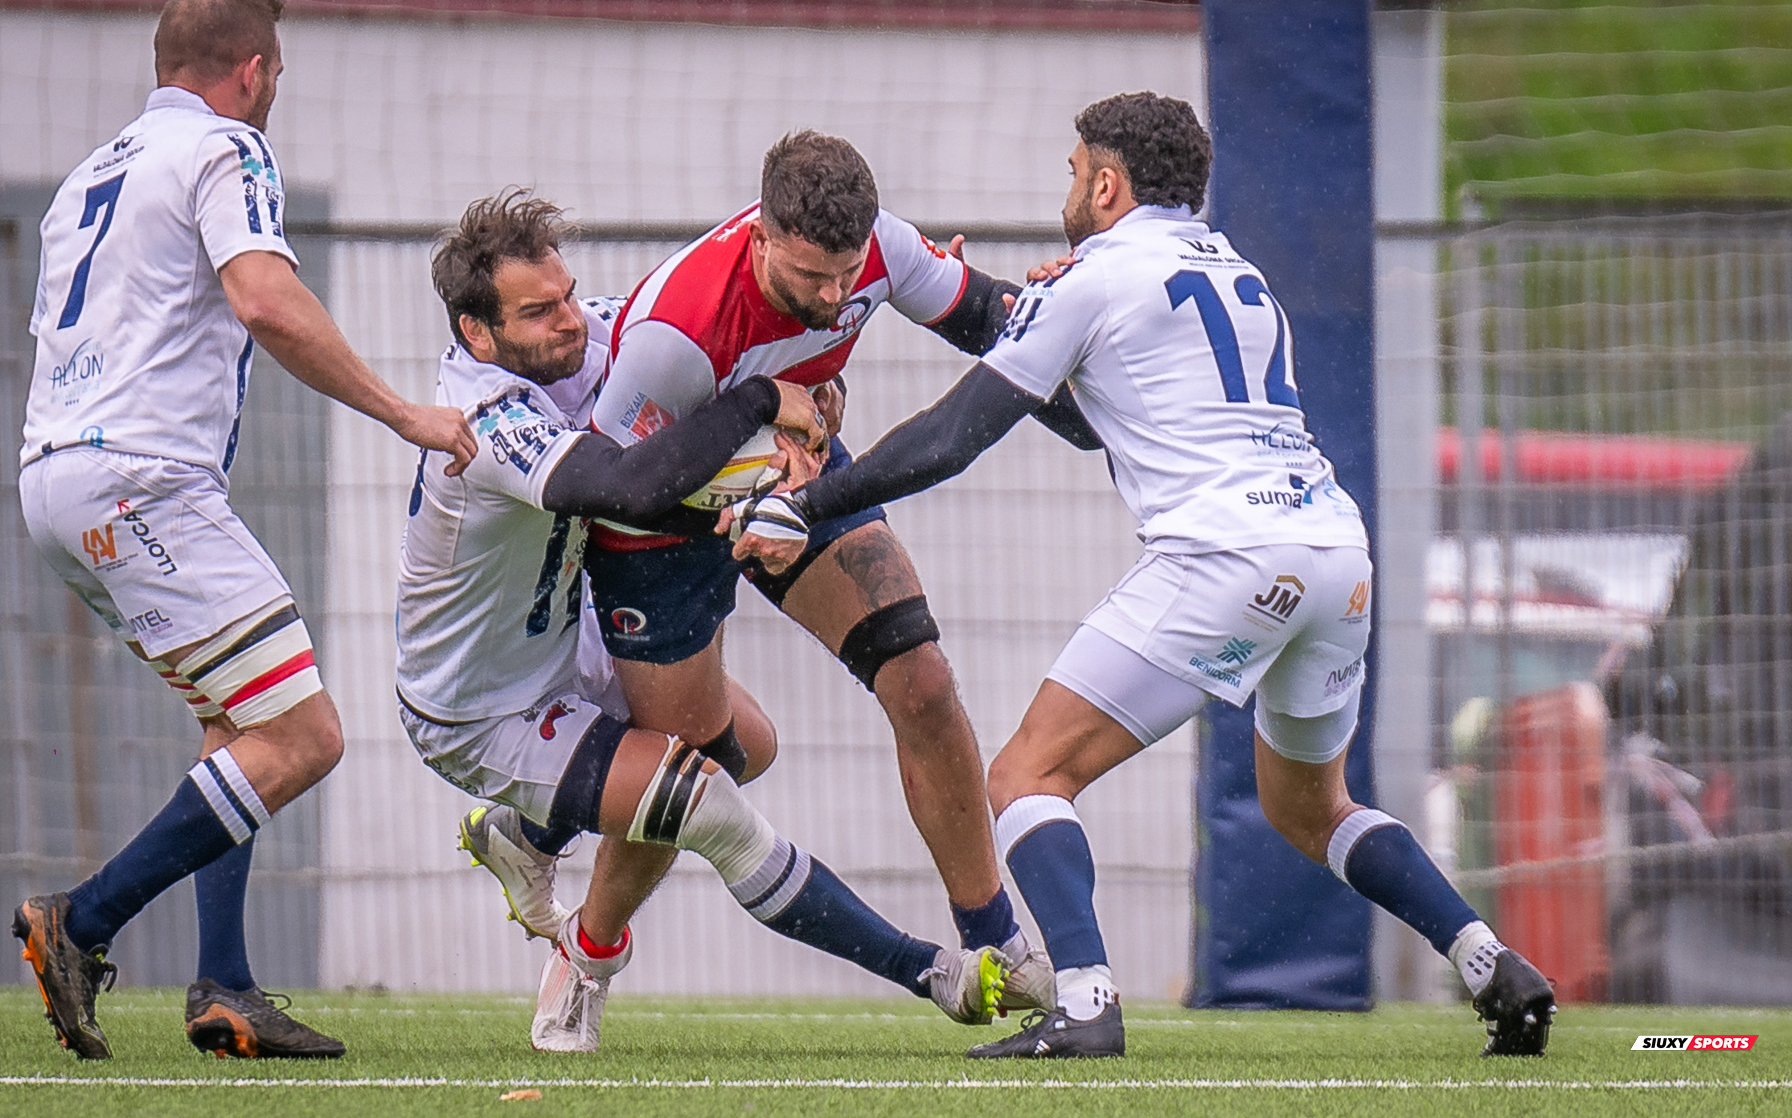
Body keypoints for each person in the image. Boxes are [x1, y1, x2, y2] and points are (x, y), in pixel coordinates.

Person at [763, 92, 1559, 1059]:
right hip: (1335, 555)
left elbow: (952, 436)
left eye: (1072, 171)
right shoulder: (1239, 272)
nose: (1066, 187)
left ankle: (1088, 1002)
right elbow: (1125, 406)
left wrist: (802, 505)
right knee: (1312, 805)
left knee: (1025, 775)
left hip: (1225, 557)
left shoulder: (1091, 280)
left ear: (1108, 182)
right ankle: (1490, 965)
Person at [402, 191, 1005, 1051]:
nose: (571, 321)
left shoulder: (594, 334)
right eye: (539, 312)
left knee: (739, 745)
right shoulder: (483, 419)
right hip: (480, 708)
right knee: (707, 801)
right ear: (476, 333)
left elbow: (713, 371)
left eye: (568, 294)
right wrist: (764, 399)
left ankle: (535, 842)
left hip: (568, 648)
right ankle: (931, 972)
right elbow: (629, 488)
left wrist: (814, 397)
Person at [11, 0, 477, 1061]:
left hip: (54, 475)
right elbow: (264, 297)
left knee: (237, 722)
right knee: (305, 735)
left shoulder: (91, 171)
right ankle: (81, 920)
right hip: (142, 476)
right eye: (277, 77)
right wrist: (406, 410)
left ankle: (223, 983)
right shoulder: (227, 148)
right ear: (252, 70)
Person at [580, 132, 1101, 1014]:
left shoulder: (880, 250)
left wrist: (1100, 398)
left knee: (923, 680)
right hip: (654, 527)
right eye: (809, 277)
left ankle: (997, 945)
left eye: (845, 274)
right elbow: (613, 489)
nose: (833, 296)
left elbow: (999, 334)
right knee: (692, 769)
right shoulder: (676, 332)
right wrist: (738, 508)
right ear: (760, 238)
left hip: (795, 481)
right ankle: (587, 954)